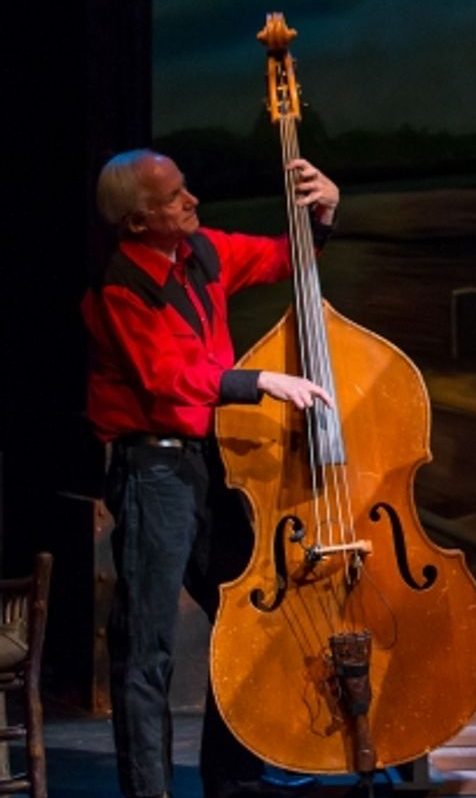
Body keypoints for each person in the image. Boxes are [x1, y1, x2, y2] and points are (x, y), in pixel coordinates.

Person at [82, 149, 339, 798]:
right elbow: (166, 377)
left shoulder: (201, 251)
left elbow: (284, 256)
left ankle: (232, 779)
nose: (190, 200)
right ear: (139, 221)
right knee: (148, 650)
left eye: (185, 186)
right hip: (150, 467)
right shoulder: (121, 283)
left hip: (201, 463)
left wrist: (325, 211)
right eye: (173, 196)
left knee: (242, 619)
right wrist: (261, 381)